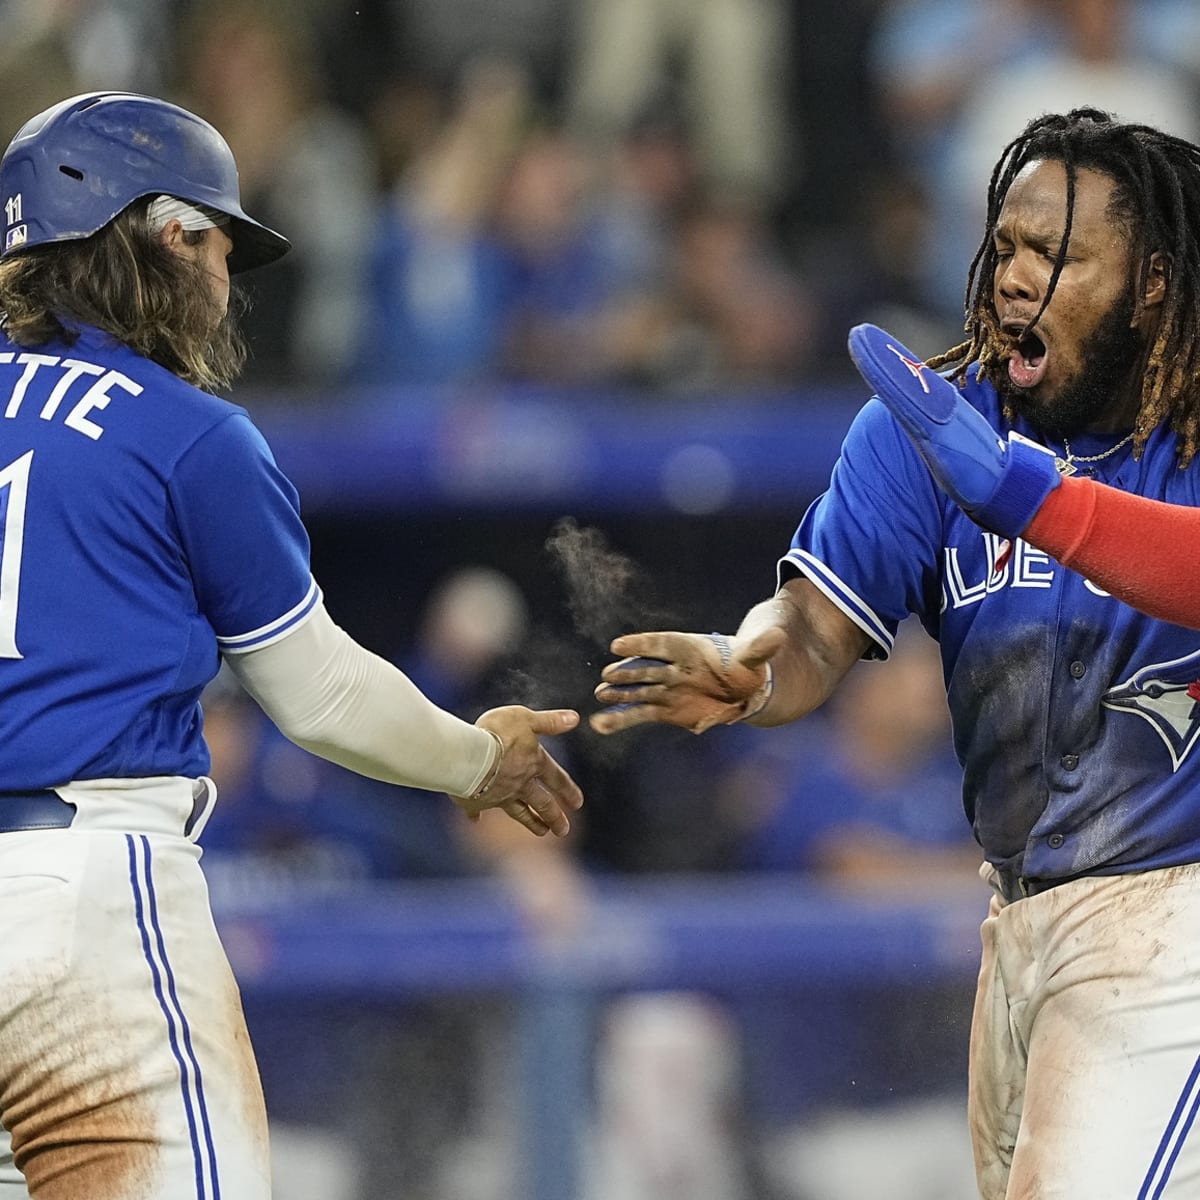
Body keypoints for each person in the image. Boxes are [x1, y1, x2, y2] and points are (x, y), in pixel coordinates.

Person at [590, 107, 1200, 1197]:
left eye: (1059, 258)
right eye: (1008, 247)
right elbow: (816, 628)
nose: (1017, 278)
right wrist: (749, 665)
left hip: (1179, 919)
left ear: (1154, 285)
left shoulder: (1188, 427)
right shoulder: (934, 423)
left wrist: (1028, 495)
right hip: (1020, 926)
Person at [0, 91, 582, 1199]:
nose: (228, 280)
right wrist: (477, 760)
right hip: (86, 894)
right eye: (217, 241)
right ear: (163, 235)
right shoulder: (183, 428)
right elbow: (316, 696)